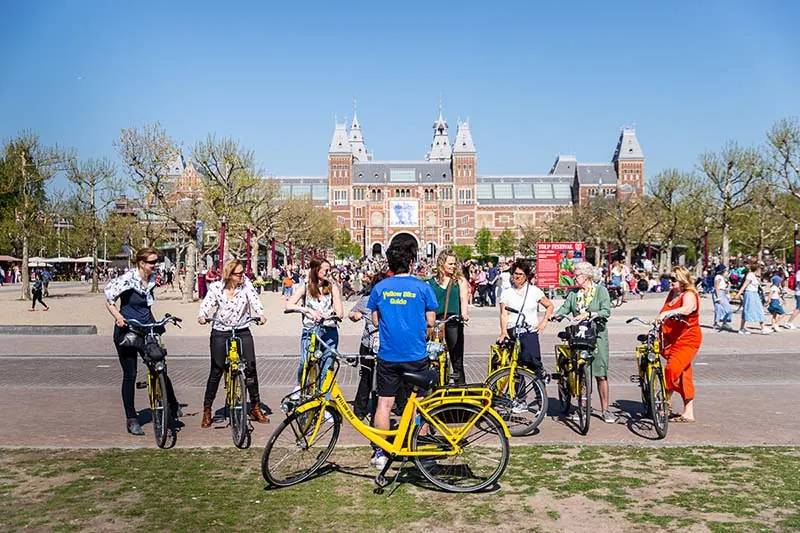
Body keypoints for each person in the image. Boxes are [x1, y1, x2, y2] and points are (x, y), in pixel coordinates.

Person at [367, 242, 438, 469]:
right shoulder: (422, 287)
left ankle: (381, 452)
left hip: (388, 355)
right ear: (411, 262)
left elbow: (376, 320)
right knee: (419, 403)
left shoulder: (380, 288)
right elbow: (431, 321)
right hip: (415, 354)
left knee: (384, 404)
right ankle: (422, 449)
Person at [104, 247, 180, 436]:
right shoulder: (128, 279)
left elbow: (146, 306)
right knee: (130, 374)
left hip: (146, 328)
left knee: (159, 365)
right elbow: (109, 299)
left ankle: (169, 406)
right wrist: (118, 317)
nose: (156, 265)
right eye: (152, 262)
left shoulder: (152, 280)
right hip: (127, 330)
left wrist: (156, 323)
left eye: (157, 262)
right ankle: (131, 418)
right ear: (142, 263)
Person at [197, 259, 269, 427]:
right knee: (217, 368)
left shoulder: (246, 286)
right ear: (229, 275)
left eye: (243, 273)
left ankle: (256, 407)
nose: (242, 276)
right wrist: (202, 315)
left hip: (242, 328)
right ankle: (207, 410)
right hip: (221, 330)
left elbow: (255, 300)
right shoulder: (216, 287)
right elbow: (206, 304)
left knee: (250, 367)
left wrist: (260, 314)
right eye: (238, 274)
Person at [555, 261, 615, 423]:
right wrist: (556, 315)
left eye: (577, 276)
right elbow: (565, 307)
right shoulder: (574, 294)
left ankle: (605, 409)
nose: (574, 279)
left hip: (597, 336)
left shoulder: (601, 291)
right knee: (581, 373)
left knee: (600, 374)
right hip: (578, 336)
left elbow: (606, 311)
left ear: (587, 276)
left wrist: (588, 315)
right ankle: (582, 408)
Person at [285, 258, 344, 396]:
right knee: (304, 361)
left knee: (327, 366)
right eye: (326, 270)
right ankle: (299, 385)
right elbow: (289, 305)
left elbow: (340, 312)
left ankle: (325, 403)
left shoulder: (332, 287)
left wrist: (332, 315)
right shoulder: (305, 287)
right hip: (311, 330)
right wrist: (307, 310)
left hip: (329, 330)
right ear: (316, 270)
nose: (329, 273)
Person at [656, 266, 702, 423]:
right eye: (669, 278)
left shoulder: (689, 294)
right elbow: (664, 312)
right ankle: (688, 412)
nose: (670, 281)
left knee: (671, 369)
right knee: (684, 374)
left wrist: (668, 313)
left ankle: (664, 400)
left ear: (683, 280)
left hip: (687, 339)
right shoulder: (672, 293)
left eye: (674, 279)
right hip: (670, 339)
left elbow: (688, 308)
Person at [497, 259, 554, 378]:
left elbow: (549, 306)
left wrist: (543, 322)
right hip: (512, 329)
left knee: (533, 361)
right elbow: (504, 314)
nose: (517, 277)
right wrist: (503, 332)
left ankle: (540, 392)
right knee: (516, 364)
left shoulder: (534, 291)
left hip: (530, 330)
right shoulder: (506, 293)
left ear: (526, 276)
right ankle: (518, 395)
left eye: (520, 274)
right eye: (515, 274)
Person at [427, 250, 470, 385]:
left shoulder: (460, 280)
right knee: (430, 355)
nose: (453, 266)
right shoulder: (430, 282)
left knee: (456, 358)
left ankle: (460, 389)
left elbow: (463, 298)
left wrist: (464, 314)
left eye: (454, 264)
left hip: (453, 320)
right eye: (450, 263)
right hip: (435, 321)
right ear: (441, 264)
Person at [348, 271, 387, 420]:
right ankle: (361, 408)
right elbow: (352, 314)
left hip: (380, 344)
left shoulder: (382, 300)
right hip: (370, 343)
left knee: (370, 377)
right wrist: (355, 316)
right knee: (367, 376)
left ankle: (363, 409)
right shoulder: (366, 300)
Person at [736, 263, 769, 335]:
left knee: (759, 309)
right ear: (757, 269)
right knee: (747, 310)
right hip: (750, 294)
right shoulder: (750, 275)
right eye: (760, 269)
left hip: (755, 294)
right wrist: (738, 294)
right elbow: (744, 285)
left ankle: (763, 327)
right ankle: (742, 328)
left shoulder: (754, 276)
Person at [712, 265, 733, 331]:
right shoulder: (718, 277)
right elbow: (716, 286)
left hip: (723, 293)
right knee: (719, 308)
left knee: (728, 308)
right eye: (726, 270)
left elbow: (726, 288)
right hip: (719, 293)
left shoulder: (723, 278)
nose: (727, 272)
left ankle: (724, 322)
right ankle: (716, 323)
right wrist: (718, 297)